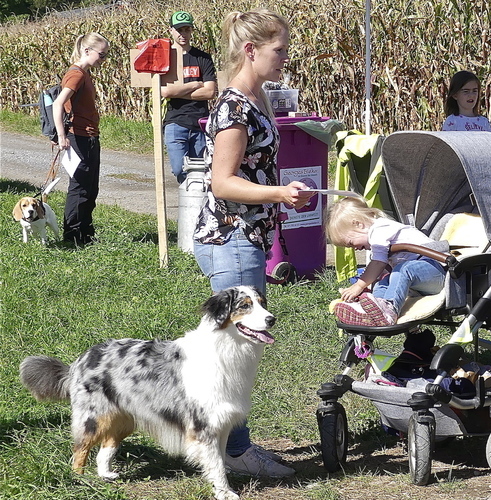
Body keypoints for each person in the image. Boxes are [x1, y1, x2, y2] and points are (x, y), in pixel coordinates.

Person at [192, 8, 314, 479]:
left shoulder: (257, 96)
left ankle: (229, 445)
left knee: (238, 350)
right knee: (234, 350)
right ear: (251, 50)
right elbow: (222, 182)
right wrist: (279, 194)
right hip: (231, 238)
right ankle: (236, 453)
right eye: (278, 49)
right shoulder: (233, 106)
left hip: (247, 236)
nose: (285, 57)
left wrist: (279, 197)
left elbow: (254, 171)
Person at [326, 197, 447, 327]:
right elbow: (377, 270)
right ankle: (374, 309)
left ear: (358, 224)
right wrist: (367, 288)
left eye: (350, 243)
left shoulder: (380, 229)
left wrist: (358, 286)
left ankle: (389, 309)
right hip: (418, 282)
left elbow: (378, 263)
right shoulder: (375, 242)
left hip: (435, 271)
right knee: (383, 281)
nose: (355, 248)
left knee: (402, 269)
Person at [53, 32, 109, 247]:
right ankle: (73, 235)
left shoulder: (84, 74)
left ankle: (86, 232)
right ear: (87, 51)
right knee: (80, 187)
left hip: (90, 136)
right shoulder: (76, 74)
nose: (103, 60)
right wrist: (61, 136)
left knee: (90, 187)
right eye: (101, 55)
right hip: (79, 138)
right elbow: (59, 104)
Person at [162, 11, 217, 184]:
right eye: (179, 30)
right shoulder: (166, 59)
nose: (182, 34)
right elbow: (165, 92)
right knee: (180, 169)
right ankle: (187, 200)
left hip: (200, 124)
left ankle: (194, 207)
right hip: (175, 122)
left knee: (201, 172)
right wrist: (194, 85)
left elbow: (209, 92)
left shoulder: (203, 58)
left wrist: (178, 91)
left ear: (191, 30)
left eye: (186, 29)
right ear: (171, 30)